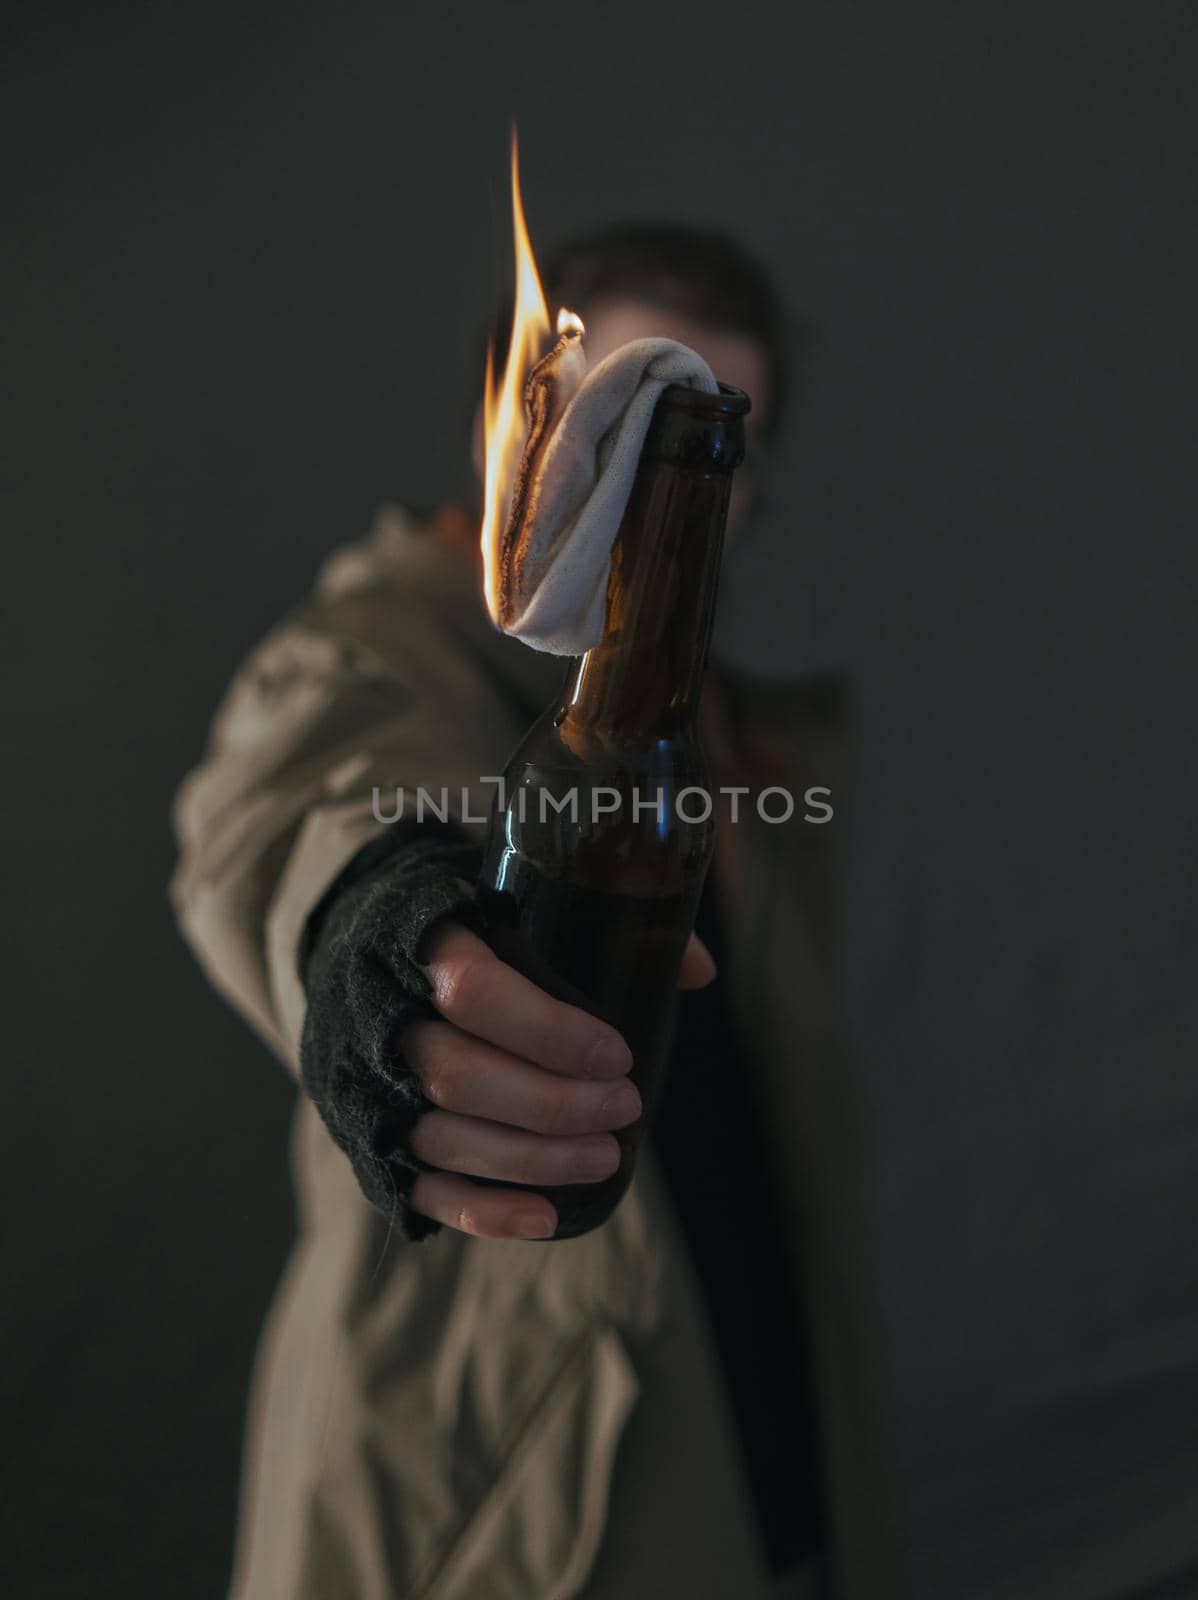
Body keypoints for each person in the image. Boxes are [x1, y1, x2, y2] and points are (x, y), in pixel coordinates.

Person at [171, 223, 841, 1599]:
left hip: (748, 1476)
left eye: (717, 439)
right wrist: (384, 931)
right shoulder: (374, 646)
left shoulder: (732, 736)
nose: (672, 480)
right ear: (518, 417)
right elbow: (307, 809)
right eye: (634, 417)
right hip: (490, 1531)